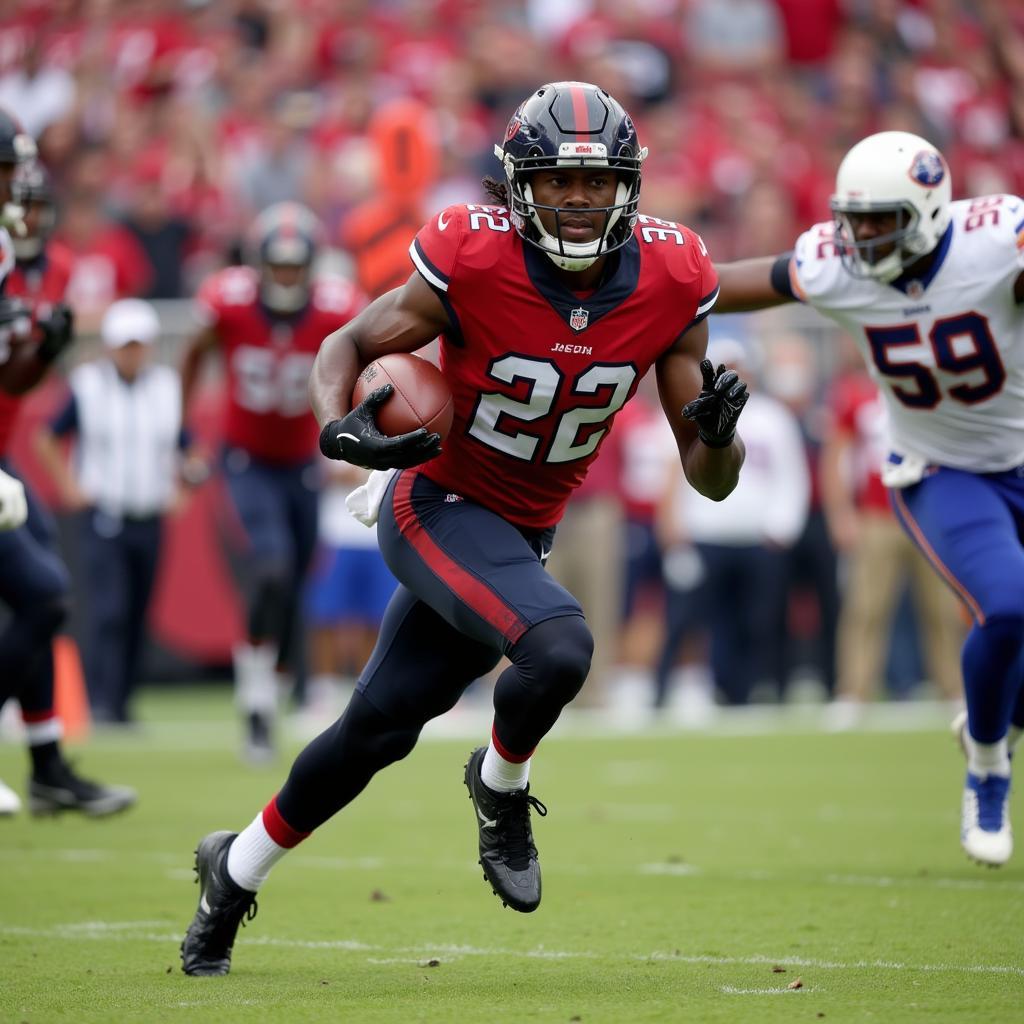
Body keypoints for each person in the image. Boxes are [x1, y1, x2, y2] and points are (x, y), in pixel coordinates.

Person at [181, 80, 749, 976]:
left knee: (377, 729)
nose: (577, 199)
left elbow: (711, 484)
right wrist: (341, 426)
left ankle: (233, 869)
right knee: (559, 648)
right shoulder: (472, 255)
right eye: (557, 180)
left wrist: (719, 437)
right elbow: (345, 346)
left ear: (629, 187)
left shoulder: (675, 277)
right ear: (517, 186)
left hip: (520, 535)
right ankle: (500, 785)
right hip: (434, 503)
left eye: (596, 183)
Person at [713, 130, 1024, 868]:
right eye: (854, 219)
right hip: (943, 471)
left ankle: (995, 714)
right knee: (1009, 606)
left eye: (880, 220)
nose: (862, 236)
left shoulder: (994, 243)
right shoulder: (835, 266)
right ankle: (986, 763)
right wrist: (626, 278)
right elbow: (716, 283)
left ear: (926, 212)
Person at [180, 201, 367, 761]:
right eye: (277, 265)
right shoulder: (228, 303)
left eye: (295, 266)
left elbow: (366, 364)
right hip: (245, 458)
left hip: (302, 463)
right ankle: (255, 697)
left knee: (293, 585)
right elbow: (193, 358)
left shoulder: (336, 307)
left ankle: (271, 698)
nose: (286, 276)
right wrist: (185, 435)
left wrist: (350, 439)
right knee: (270, 566)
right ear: (259, 265)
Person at [0, 120, 135, 818]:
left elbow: (15, 380)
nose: (18, 200)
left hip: (3, 454)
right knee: (45, 591)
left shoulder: (35, 261)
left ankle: (48, 765)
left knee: (44, 596)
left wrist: (46, 349)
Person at [35, 299, 185, 726]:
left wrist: (185, 487)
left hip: (149, 516)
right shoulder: (87, 386)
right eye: (125, 345)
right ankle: (100, 700)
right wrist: (68, 486)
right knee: (109, 609)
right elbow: (47, 438)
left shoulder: (166, 388)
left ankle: (123, 702)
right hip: (104, 516)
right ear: (110, 347)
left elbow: (187, 445)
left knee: (139, 611)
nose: (132, 353)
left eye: (138, 345)